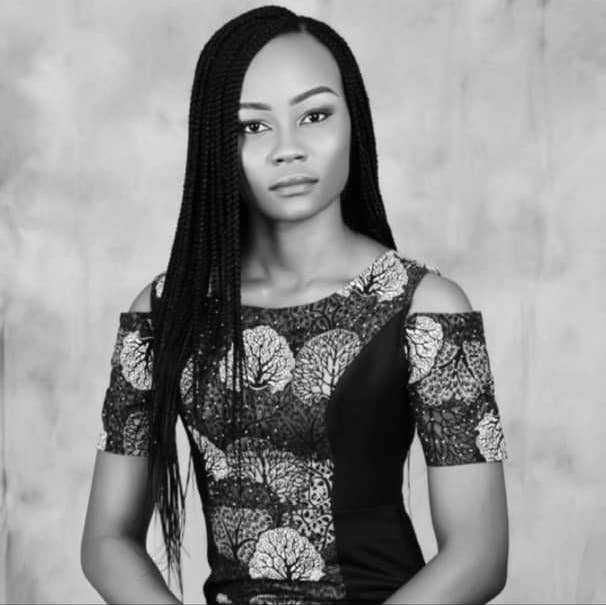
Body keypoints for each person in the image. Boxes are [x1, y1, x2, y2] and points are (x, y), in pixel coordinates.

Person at [81, 6, 510, 605]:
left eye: (315, 115)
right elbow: (106, 540)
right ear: (215, 144)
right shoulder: (168, 310)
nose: (288, 149)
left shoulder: (426, 309)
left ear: (354, 121)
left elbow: (479, 557)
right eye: (253, 126)